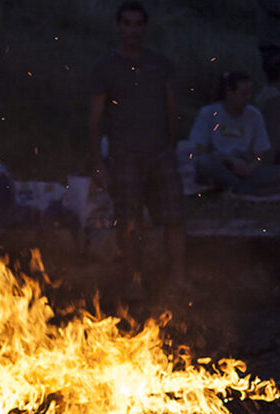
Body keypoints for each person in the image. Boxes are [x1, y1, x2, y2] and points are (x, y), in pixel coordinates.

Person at [89, 1, 186, 300]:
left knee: (174, 216)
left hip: (159, 152)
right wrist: (97, 164)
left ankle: (178, 278)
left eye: (138, 24)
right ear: (119, 26)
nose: (132, 30)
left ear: (145, 27)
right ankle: (134, 280)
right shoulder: (106, 66)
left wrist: (171, 146)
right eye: (127, 23)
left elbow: (172, 108)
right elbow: (94, 119)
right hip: (124, 154)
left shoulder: (160, 63)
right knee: (129, 218)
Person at [189, 71, 280, 196]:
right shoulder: (208, 113)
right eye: (243, 94)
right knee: (203, 163)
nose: (247, 98)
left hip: (244, 169)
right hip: (219, 164)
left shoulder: (254, 116)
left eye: (249, 93)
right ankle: (245, 189)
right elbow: (201, 153)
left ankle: (230, 186)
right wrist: (229, 161)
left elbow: (259, 156)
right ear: (229, 92)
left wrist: (248, 168)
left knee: (279, 172)